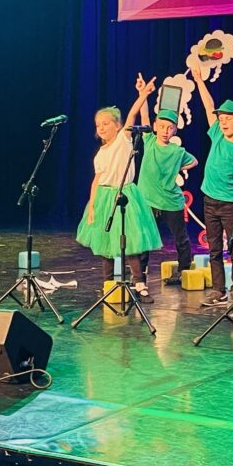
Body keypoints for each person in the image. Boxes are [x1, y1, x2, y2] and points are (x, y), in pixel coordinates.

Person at [75, 82, 162, 303]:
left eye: (106, 123)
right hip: (104, 197)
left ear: (117, 125)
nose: (101, 128)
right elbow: (96, 180)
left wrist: (142, 95)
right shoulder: (101, 152)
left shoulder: (123, 140)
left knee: (129, 242)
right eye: (98, 125)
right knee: (106, 244)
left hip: (125, 195)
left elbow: (132, 115)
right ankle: (108, 285)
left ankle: (139, 284)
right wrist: (92, 206)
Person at [187, 57, 233, 307]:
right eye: (221, 118)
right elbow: (208, 106)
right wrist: (199, 81)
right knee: (214, 248)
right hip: (209, 200)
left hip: (230, 204)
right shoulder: (216, 134)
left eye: (229, 117)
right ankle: (218, 289)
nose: (223, 121)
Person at [133, 73, 199, 285]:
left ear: (174, 130)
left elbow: (194, 161)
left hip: (171, 201)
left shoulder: (177, 151)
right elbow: (143, 117)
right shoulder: (150, 141)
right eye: (161, 126)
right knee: (144, 237)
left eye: (170, 128)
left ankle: (184, 270)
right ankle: (140, 274)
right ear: (155, 126)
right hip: (148, 199)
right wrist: (142, 94)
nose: (165, 131)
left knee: (180, 238)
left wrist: (178, 167)